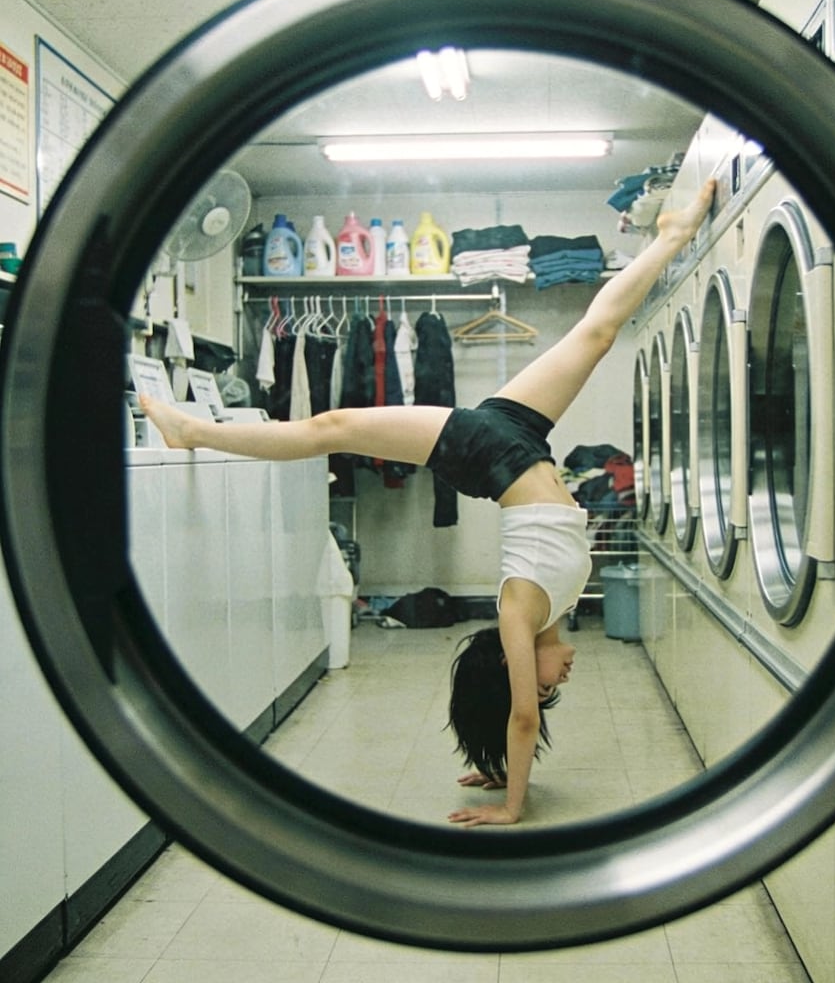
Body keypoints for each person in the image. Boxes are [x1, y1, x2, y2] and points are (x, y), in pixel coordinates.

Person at [140, 179, 715, 827]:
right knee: (599, 333)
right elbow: (517, 713)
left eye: (549, 680)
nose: (563, 676)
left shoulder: (517, 615)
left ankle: (193, 431)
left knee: (333, 429)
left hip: (484, 453)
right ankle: (671, 235)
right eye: (555, 683)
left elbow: (521, 715)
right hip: (522, 442)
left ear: (512, 662)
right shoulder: (560, 609)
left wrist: (510, 806)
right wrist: (496, 765)